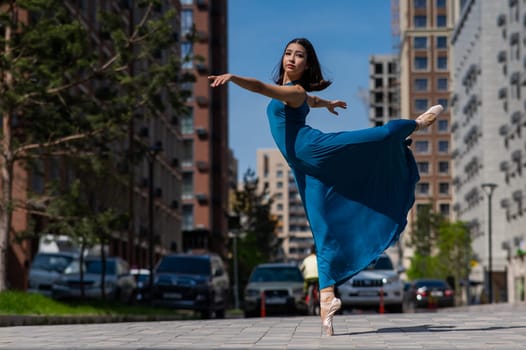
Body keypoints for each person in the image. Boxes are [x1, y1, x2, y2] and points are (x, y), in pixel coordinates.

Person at [208, 37, 443, 336]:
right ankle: (327, 304)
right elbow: (310, 101)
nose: (292, 59)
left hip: (315, 148)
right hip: (305, 170)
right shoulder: (298, 95)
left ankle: (417, 124)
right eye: (288, 53)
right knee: (323, 232)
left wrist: (233, 77)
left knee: (377, 136)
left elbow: (262, 88)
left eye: (300, 56)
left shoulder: (293, 90)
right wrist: (328, 103)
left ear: (307, 65)